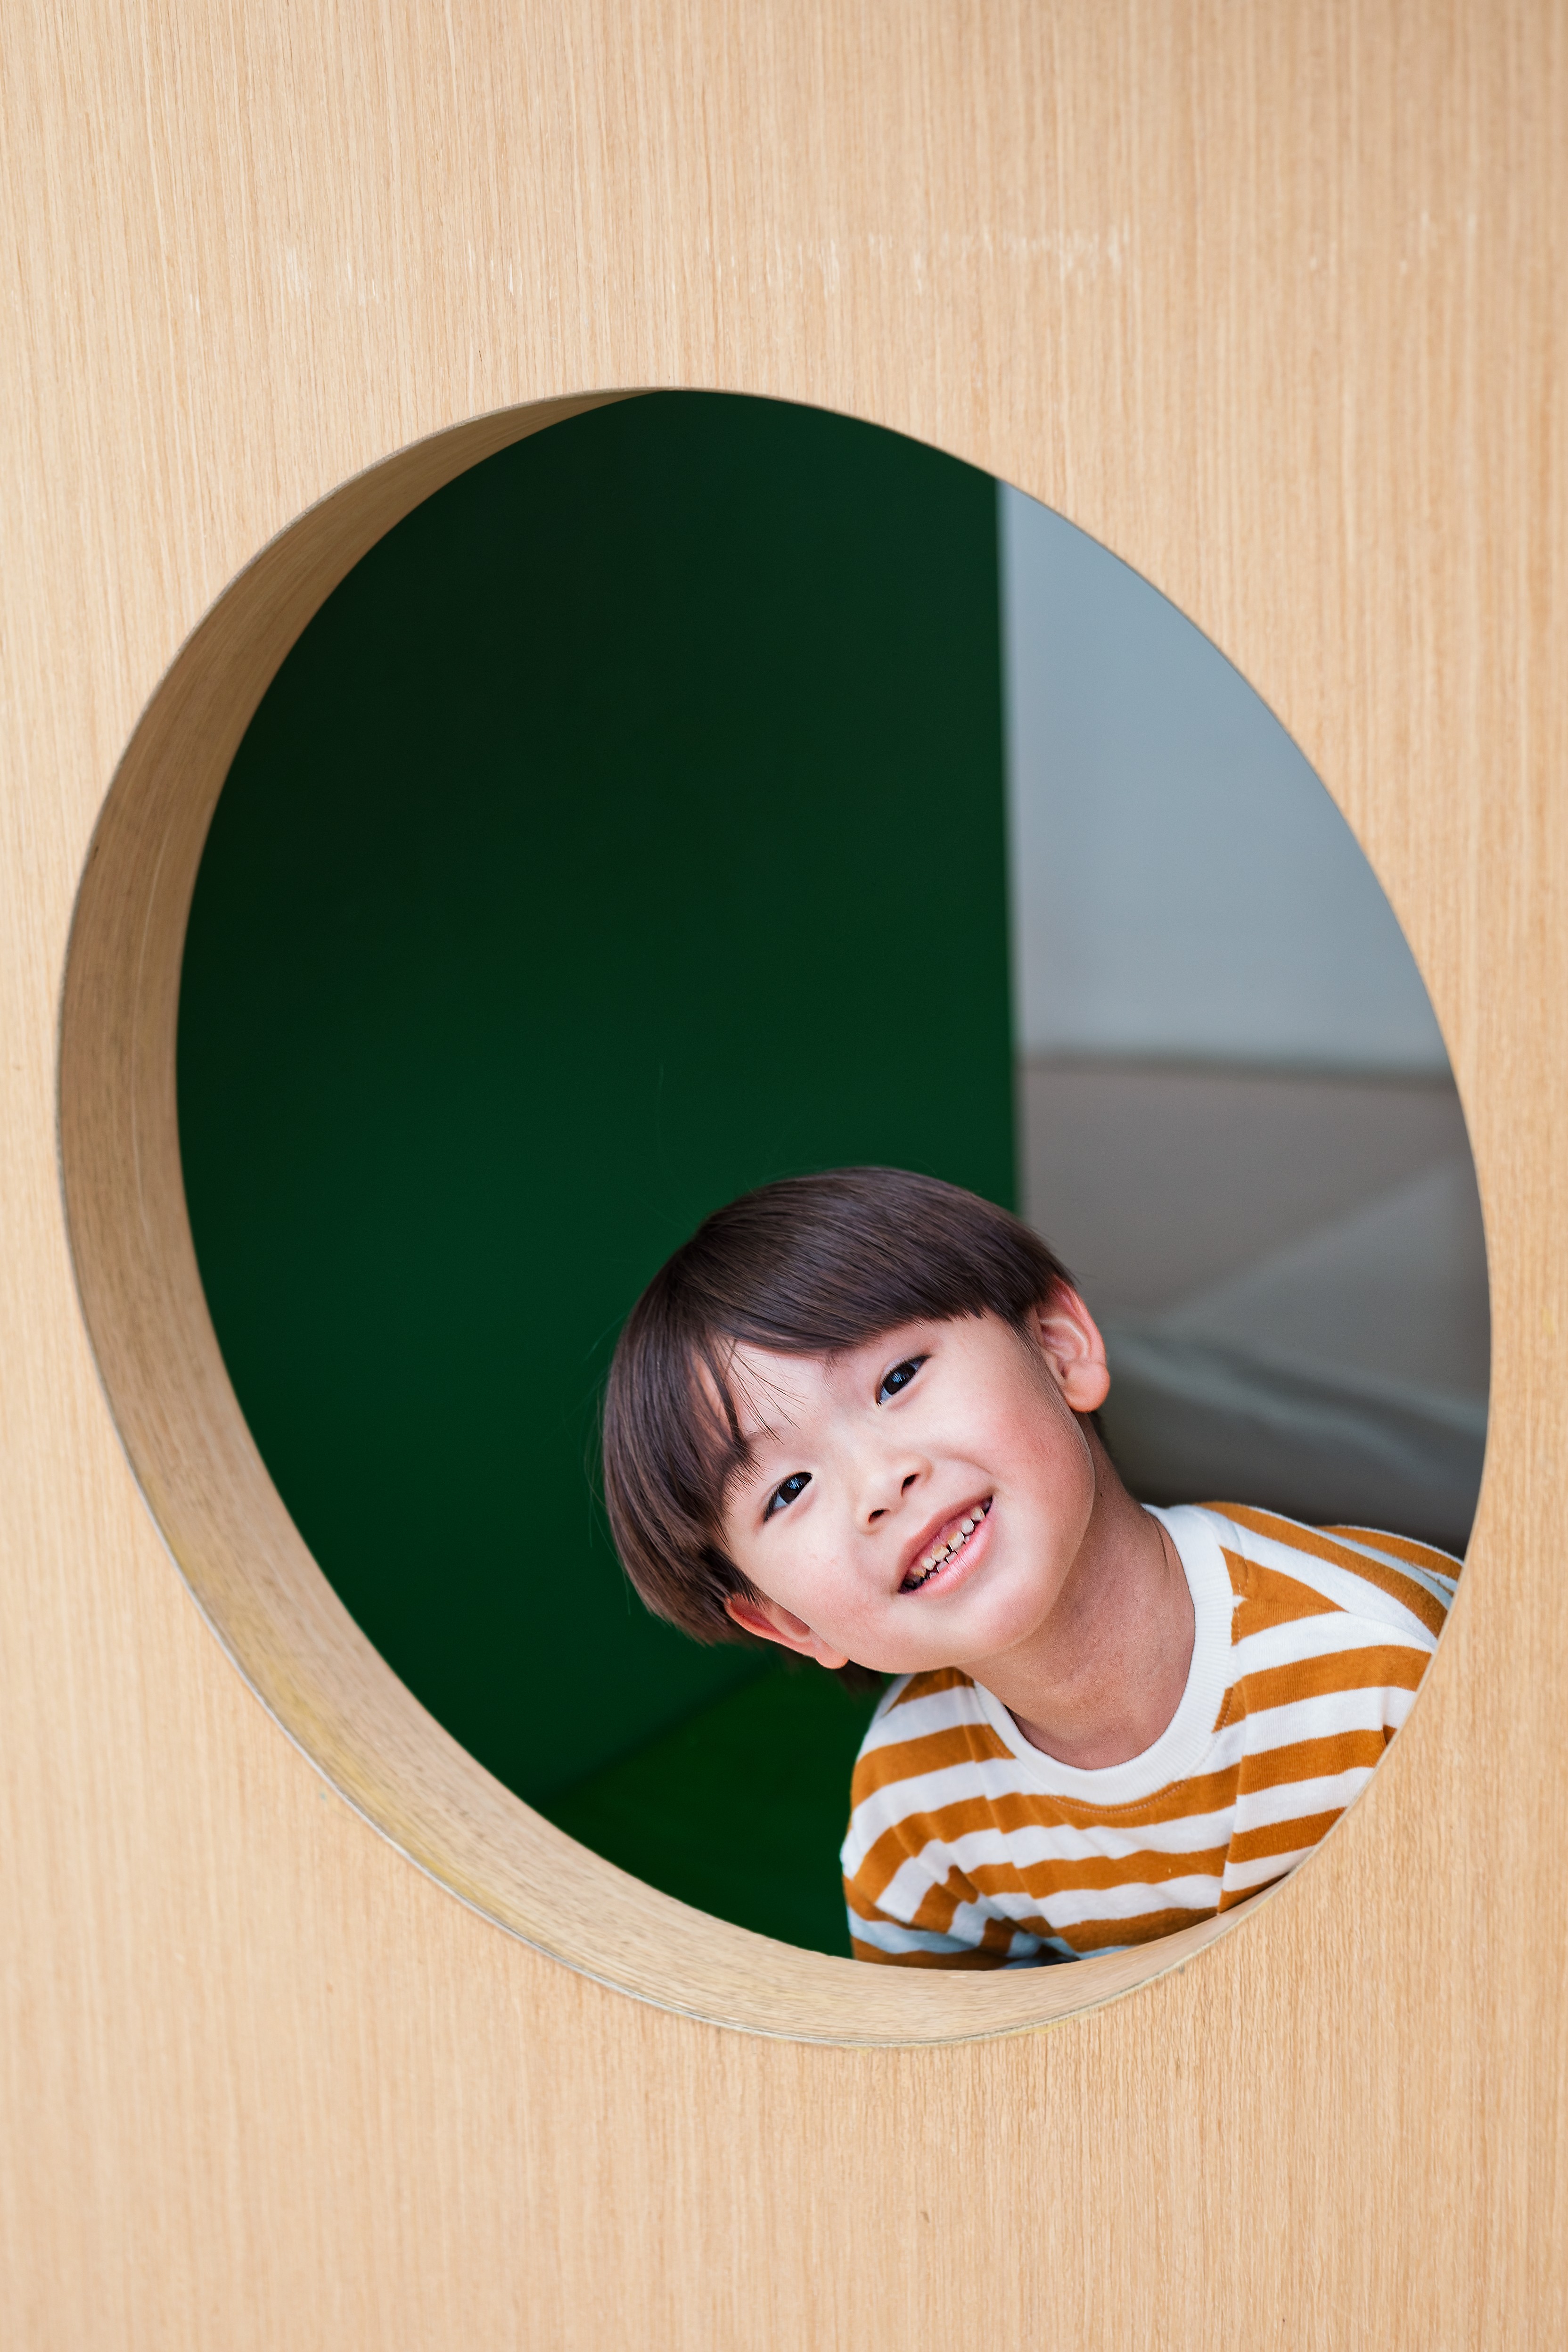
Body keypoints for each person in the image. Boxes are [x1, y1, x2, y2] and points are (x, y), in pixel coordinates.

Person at [600, 1168, 1458, 1967]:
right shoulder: (914, 1816)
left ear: (1058, 1347)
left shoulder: (1384, 1666)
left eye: (898, 1377)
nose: (879, 1483)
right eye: (790, 1488)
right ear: (789, 1620)